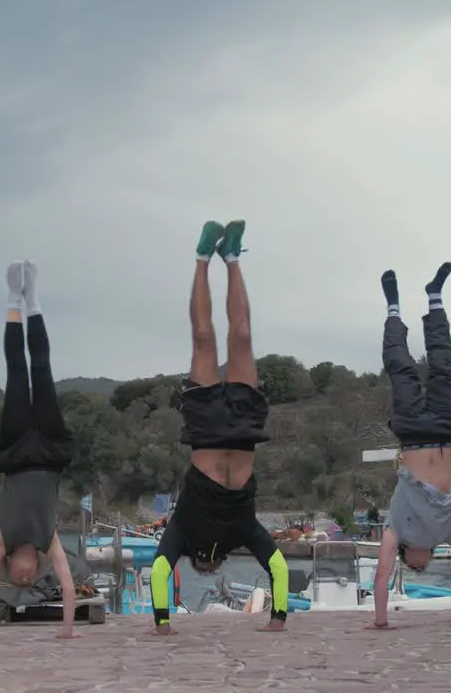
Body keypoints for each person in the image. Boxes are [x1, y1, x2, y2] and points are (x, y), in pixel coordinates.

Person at [149, 220, 289, 636]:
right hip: (245, 430)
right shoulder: (242, 531)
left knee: (205, 338)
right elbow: (278, 565)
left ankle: (201, 257)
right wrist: (278, 619)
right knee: (243, 337)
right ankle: (232, 258)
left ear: (196, 559)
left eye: (202, 566)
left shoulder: (182, 529)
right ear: (221, 560)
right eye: (213, 567)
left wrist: (161, 624)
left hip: (207, 429)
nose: (208, 566)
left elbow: (159, 571)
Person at [0, 260, 79, 642]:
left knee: (17, 371)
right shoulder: (49, 540)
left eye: (17, 579)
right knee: (43, 370)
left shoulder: (1, 538)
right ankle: (34, 302)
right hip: (48, 451)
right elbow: (67, 586)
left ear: (9, 564)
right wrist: (67, 631)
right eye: (29, 581)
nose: (26, 578)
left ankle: (14, 300)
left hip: (16, 451)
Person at [369, 262, 451, 630]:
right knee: (444, 365)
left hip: (414, 431)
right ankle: (435, 298)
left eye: (413, 564)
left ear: (406, 554)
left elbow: (383, 574)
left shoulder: (395, 528)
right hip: (448, 429)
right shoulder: (450, 529)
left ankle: (393, 309)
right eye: (423, 564)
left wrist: (381, 621)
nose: (419, 562)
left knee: (399, 366)